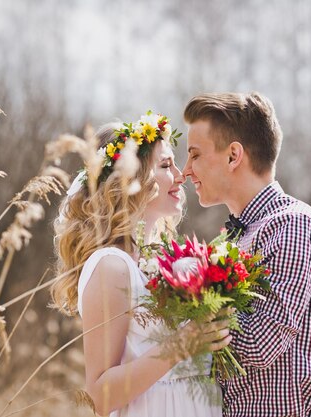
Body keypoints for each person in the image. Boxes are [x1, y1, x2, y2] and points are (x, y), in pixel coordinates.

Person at [52, 113, 231, 417]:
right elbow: (101, 397)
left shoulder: (164, 260)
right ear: (130, 180)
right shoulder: (111, 266)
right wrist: (183, 343)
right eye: (165, 165)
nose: (180, 174)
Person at [181, 92, 311, 417]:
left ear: (233, 156)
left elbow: (260, 344)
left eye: (195, 155)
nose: (186, 170)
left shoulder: (294, 227)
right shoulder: (232, 238)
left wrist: (189, 307)